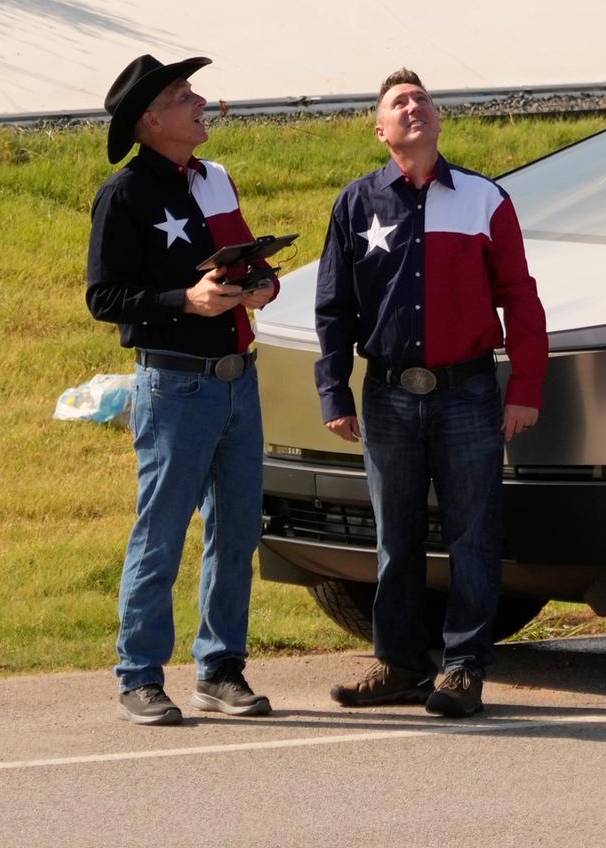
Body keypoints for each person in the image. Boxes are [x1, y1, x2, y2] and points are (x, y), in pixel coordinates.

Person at [315, 68, 548, 718]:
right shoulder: (356, 205)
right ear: (381, 129)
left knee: (475, 534)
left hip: (468, 393)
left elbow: (521, 298)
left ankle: (464, 669)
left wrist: (525, 386)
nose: (413, 106)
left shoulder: (484, 200)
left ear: (438, 120)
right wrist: (334, 391)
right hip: (387, 396)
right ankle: (398, 665)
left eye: (422, 99)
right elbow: (333, 309)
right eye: (399, 102)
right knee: (397, 537)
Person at [86, 54, 278, 726]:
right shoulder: (126, 194)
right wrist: (184, 301)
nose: (201, 101)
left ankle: (220, 668)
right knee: (161, 533)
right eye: (182, 93)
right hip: (174, 386)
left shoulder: (215, 180)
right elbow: (104, 296)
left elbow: (247, 262)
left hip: (238, 382)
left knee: (237, 532)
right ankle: (139, 676)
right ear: (151, 119)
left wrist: (261, 285)